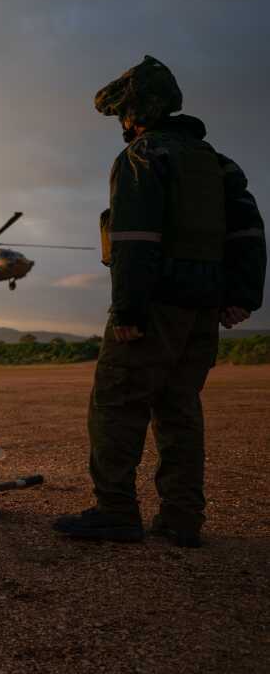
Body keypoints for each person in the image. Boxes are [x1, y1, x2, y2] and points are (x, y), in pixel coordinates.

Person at [54, 55, 266, 548]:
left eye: (124, 114)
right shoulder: (218, 162)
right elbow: (249, 231)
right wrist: (242, 296)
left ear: (137, 112)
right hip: (203, 308)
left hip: (155, 307)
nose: (123, 124)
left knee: (116, 402)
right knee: (180, 408)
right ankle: (181, 519)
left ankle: (116, 512)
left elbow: (133, 238)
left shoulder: (143, 157)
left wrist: (127, 311)